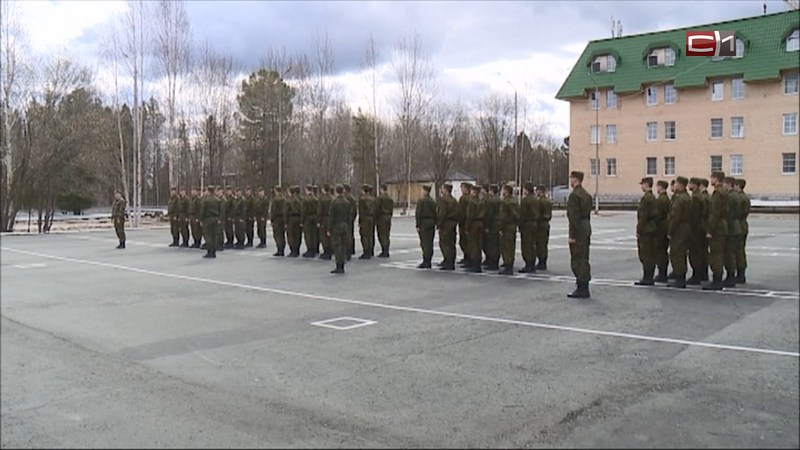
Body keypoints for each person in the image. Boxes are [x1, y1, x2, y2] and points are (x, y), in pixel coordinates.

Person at [567, 171, 592, 298]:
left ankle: (582, 287)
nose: (570, 180)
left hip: (578, 228)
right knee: (584, 256)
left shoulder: (574, 196)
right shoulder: (586, 194)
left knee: (577, 258)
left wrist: (572, 235)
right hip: (586, 226)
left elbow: (573, 217)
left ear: (575, 179)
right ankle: (584, 285)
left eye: (571, 178)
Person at [703, 171, 729, 291]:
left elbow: (715, 213)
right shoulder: (724, 191)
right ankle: (718, 278)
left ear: (716, 179)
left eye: (712, 178)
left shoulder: (718, 193)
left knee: (716, 254)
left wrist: (710, 229)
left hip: (717, 226)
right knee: (719, 253)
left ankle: (717, 280)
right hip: (722, 224)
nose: (711, 180)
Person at [667, 177, 692, 288]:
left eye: (676, 184)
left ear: (681, 185)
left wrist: (670, 231)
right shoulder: (685, 197)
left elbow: (675, 217)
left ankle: (680, 278)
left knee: (678, 253)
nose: (674, 186)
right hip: (684, 227)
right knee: (679, 252)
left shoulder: (681, 199)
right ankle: (679, 275)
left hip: (679, 229)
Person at [634, 177, 657, 285]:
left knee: (645, 254)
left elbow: (643, 216)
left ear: (647, 184)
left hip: (646, 229)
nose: (641, 186)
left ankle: (647, 277)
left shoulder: (646, 198)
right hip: (651, 228)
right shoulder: (652, 197)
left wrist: (639, 229)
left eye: (642, 184)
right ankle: (649, 276)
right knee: (651, 253)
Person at [686, 178, 708, 285]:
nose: (688, 185)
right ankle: (703, 274)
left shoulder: (695, 197)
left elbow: (694, 215)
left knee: (695, 253)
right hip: (702, 226)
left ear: (694, 185)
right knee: (701, 252)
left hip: (696, 228)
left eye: (690, 183)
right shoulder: (700, 196)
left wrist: (691, 229)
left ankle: (697, 275)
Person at [327, 184, 351, 274]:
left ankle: (339, 265)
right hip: (344, 225)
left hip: (336, 226)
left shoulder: (334, 202)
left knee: (337, 246)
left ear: (336, 191)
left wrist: (329, 229)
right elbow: (349, 215)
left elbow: (331, 216)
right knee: (343, 246)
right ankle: (342, 265)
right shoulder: (347, 202)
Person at [722, 177, 741, 288]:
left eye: (724, 184)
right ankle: (732, 275)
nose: (723, 186)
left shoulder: (730, 196)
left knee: (729, 253)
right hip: (736, 225)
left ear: (728, 184)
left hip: (731, 226)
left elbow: (728, 211)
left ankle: (730, 276)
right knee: (732, 252)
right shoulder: (737, 195)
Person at [497, 184, 519, 276]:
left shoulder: (505, 202)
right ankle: (510, 264)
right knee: (511, 247)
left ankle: (508, 267)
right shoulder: (515, 200)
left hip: (506, 226)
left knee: (506, 247)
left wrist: (500, 228)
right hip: (513, 226)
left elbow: (503, 216)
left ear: (506, 191)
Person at [518, 182, 539, 273]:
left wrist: (520, 225)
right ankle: (532, 263)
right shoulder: (535, 199)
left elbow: (522, 214)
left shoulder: (525, 200)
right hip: (534, 223)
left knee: (526, 245)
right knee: (532, 244)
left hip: (527, 224)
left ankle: (528, 264)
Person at [436, 183, 459, 270]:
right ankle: (450, 261)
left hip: (446, 224)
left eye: (442, 188)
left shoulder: (444, 200)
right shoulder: (454, 200)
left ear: (445, 190)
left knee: (445, 243)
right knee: (451, 243)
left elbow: (442, 213)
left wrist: (439, 223)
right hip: (452, 224)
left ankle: (448, 261)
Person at [415, 184, 437, 269]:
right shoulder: (432, 201)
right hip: (431, 223)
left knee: (424, 242)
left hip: (424, 223)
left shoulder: (421, 201)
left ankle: (426, 261)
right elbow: (436, 213)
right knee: (430, 242)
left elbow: (418, 213)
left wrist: (417, 224)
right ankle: (429, 260)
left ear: (425, 191)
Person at [465, 184, 485, 273]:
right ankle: (478, 263)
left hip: (473, 224)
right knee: (479, 244)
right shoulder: (481, 201)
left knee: (473, 244)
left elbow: (469, 216)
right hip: (480, 223)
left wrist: (467, 227)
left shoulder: (471, 202)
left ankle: (474, 264)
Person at [654, 180, 671, 282]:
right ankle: (662, 273)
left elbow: (658, 215)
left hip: (661, 228)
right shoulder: (666, 198)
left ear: (660, 187)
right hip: (665, 226)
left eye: (658, 187)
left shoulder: (661, 199)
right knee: (662, 251)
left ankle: (662, 274)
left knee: (660, 251)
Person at [734, 179, 750, 283]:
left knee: (738, 251)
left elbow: (737, 212)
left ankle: (740, 274)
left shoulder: (739, 198)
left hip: (738, 224)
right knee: (740, 250)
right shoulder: (745, 197)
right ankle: (741, 273)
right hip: (743, 224)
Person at [482, 184, 501, 271]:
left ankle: (493, 263)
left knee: (492, 244)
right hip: (498, 223)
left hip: (493, 223)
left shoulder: (492, 201)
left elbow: (489, 214)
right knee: (497, 244)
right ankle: (495, 261)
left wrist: (487, 226)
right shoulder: (499, 199)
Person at [534, 185, 553, 271]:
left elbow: (537, 214)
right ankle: (543, 261)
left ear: (540, 191)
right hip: (546, 223)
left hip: (540, 224)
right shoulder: (548, 201)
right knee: (544, 244)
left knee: (540, 244)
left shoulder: (540, 201)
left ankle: (541, 262)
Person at [201, 185, 222, 258]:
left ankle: (209, 251)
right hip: (215, 219)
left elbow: (202, 210)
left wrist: (201, 219)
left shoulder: (206, 200)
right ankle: (214, 252)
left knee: (208, 236)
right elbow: (220, 210)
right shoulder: (217, 199)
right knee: (214, 236)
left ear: (208, 191)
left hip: (208, 219)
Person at [697, 179, 711, 281]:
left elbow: (703, 213)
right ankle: (703, 273)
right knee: (703, 251)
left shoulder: (703, 197)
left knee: (700, 251)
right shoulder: (708, 196)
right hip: (705, 225)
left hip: (701, 226)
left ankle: (701, 274)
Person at [358, 184, 376, 259]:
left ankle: (366, 251)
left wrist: (360, 221)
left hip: (365, 218)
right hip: (371, 218)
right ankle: (370, 250)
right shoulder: (373, 199)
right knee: (370, 235)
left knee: (364, 235)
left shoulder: (362, 199)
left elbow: (361, 211)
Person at [376, 184, 394, 257]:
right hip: (388, 217)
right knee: (387, 234)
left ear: (381, 189)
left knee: (381, 234)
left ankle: (384, 250)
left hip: (382, 217)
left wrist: (376, 218)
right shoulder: (390, 199)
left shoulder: (380, 198)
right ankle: (386, 250)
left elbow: (377, 208)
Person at [285, 186, 303, 257]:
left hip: (291, 218)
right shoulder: (298, 200)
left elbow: (286, 211)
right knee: (297, 235)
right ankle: (297, 250)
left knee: (291, 235)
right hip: (298, 218)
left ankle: (293, 250)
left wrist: (285, 221)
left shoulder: (288, 200)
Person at [457, 183, 472, 266]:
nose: (461, 189)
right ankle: (467, 257)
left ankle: (468, 258)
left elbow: (462, 212)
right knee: (465, 241)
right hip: (466, 222)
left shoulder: (464, 198)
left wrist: (460, 220)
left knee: (464, 241)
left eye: (463, 188)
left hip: (464, 222)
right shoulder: (469, 198)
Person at [317, 184, 334, 260]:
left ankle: (326, 251)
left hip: (324, 218)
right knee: (330, 235)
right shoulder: (333, 198)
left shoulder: (322, 199)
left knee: (323, 236)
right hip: (331, 218)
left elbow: (320, 211)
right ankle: (330, 250)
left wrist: (318, 220)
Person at [270, 186, 287, 256]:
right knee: (282, 234)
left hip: (277, 218)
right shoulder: (284, 198)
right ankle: (282, 249)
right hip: (283, 218)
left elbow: (273, 210)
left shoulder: (275, 199)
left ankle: (279, 249)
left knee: (277, 234)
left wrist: (272, 219)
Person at [343, 184, 357, 259]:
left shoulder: (346, 198)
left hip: (346, 219)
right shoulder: (352, 198)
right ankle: (351, 249)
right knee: (351, 235)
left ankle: (348, 251)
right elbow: (354, 210)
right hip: (350, 219)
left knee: (347, 236)